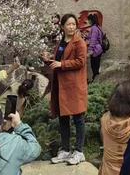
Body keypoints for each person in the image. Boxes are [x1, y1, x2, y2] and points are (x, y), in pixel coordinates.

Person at [43, 13, 88, 166]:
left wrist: (62, 64)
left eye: (73, 24)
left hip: (74, 86)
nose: (71, 27)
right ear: (62, 27)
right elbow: (58, 61)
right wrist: (48, 60)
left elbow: (80, 62)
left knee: (78, 119)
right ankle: (65, 150)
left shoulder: (79, 42)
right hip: (61, 86)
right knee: (63, 119)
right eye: (68, 24)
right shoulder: (61, 42)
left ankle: (79, 151)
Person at [86, 13, 104, 82]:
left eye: (88, 20)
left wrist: (90, 52)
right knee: (96, 66)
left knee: (94, 68)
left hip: (95, 51)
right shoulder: (98, 27)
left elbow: (93, 40)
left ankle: (95, 82)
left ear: (91, 20)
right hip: (99, 50)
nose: (88, 22)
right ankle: (95, 81)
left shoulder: (94, 28)